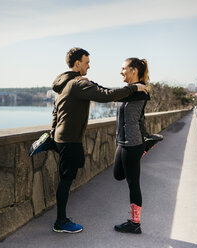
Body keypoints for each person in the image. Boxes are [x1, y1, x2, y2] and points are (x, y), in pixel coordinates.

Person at [50, 48, 148, 233]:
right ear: (77, 64)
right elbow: (105, 95)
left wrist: (52, 134)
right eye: (86, 62)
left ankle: (62, 220)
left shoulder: (65, 82)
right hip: (70, 139)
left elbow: (55, 112)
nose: (89, 65)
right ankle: (61, 222)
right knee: (66, 179)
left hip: (62, 137)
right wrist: (134, 87)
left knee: (71, 172)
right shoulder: (78, 84)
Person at [113, 57, 150, 234]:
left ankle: (135, 223)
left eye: (123, 68)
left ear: (134, 70)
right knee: (118, 174)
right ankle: (148, 143)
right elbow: (141, 117)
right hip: (123, 141)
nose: (121, 72)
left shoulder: (140, 92)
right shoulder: (131, 90)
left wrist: (143, 142)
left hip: (133, 143)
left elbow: (112, 94)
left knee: (133, 183)